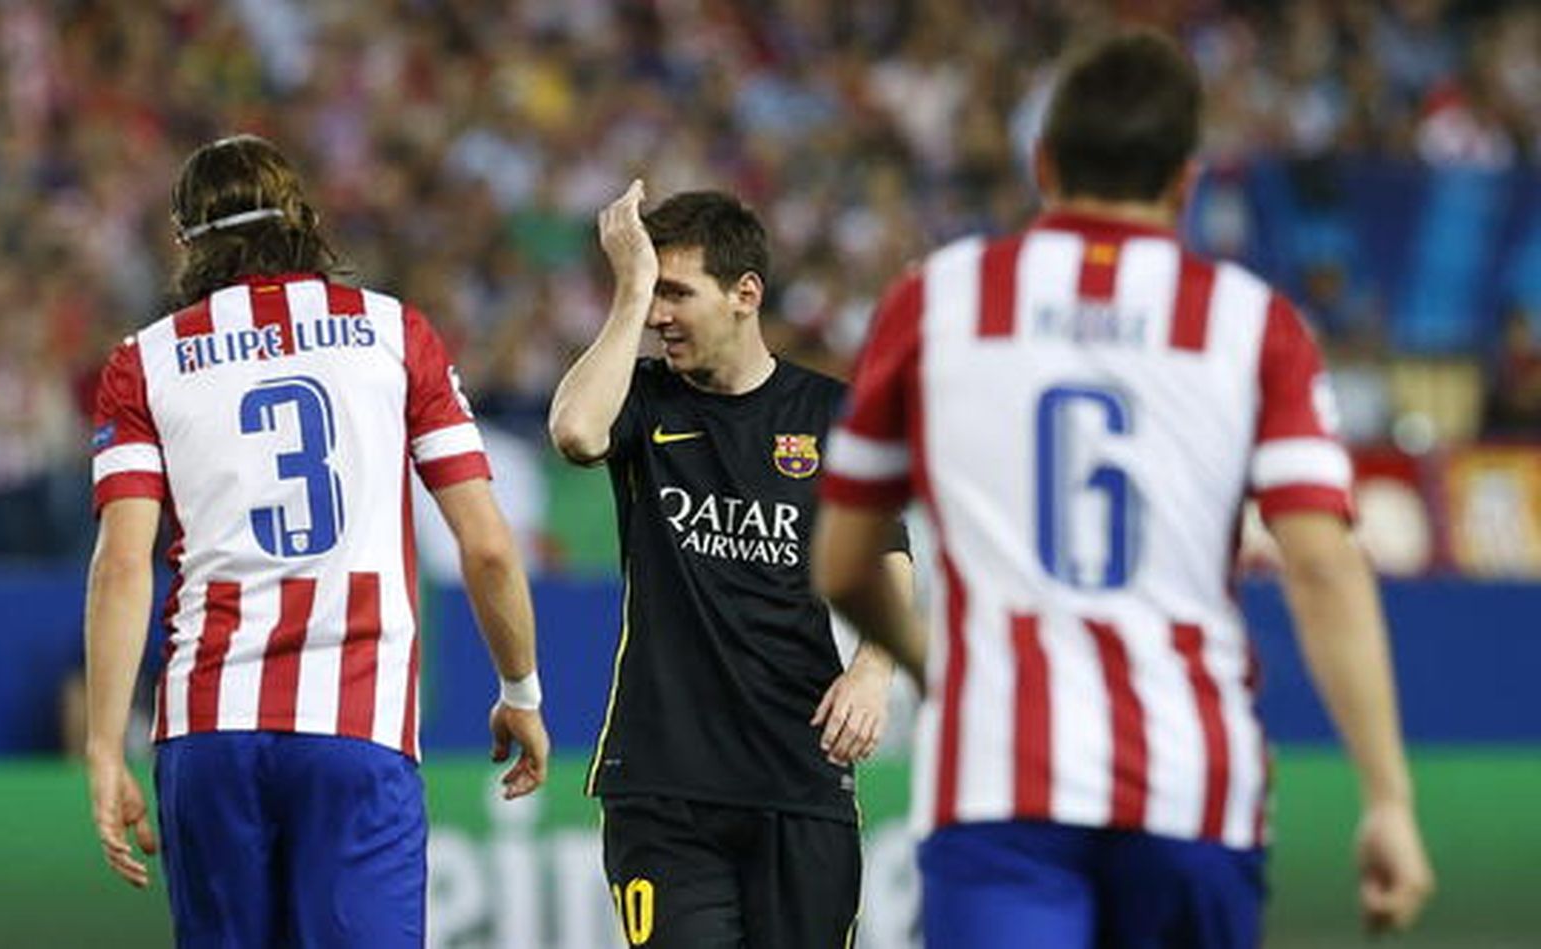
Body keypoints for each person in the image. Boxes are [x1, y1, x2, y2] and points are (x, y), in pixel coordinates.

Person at [811, 30, 1434, 949]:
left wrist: (935, 667)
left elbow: (843, 560)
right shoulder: (1252, 324)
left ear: (1043, 163)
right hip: (1190, 785)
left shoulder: (935, 301)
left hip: (997, 781)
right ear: (1186, 181)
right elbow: (1324, 567)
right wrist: (1387, 797)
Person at [83, 134, 549, 948]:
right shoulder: (395, 333)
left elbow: (124, 565)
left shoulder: (143, 362)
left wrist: (101, 746)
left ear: (185, 239)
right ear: (302, 221)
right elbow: (487, 546)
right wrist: (521, 690)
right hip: (356, 720)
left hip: (209, 724)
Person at [549, 183, 910, 948]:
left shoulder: (829, 414)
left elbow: (887, 550)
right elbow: (576, 432)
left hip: (799, 775)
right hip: (664, 784)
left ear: (745, 293)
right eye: (652, 294)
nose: (658, 315)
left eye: (675, 292)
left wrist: (874, 669)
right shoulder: (644, 399)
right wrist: (630, 289)